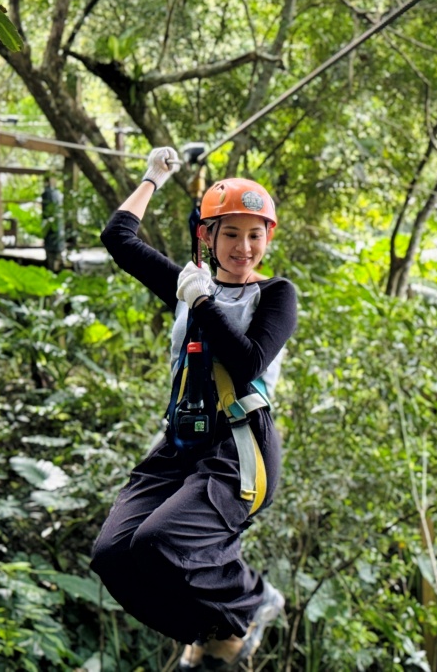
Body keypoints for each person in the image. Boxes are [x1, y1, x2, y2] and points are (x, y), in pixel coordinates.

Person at [90, 147, 298, 670]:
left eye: (255, 235)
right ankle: (211, 630)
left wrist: (202, 302)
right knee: (113, 556)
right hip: (182, 440)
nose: (243, 247)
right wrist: (153, 178)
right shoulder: (188, 286)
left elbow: (248, 361)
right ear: (208, 237)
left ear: (268, 238)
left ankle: (250, 600)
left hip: (240, 444)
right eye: (230, 234)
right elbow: (119, 238)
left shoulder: (275, 295)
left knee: (160, 540)